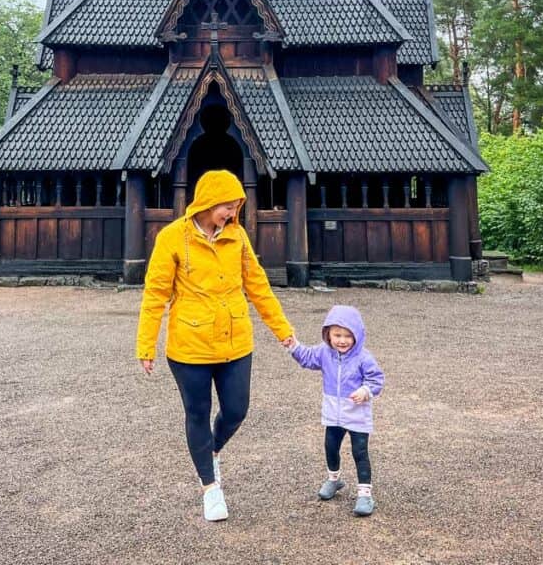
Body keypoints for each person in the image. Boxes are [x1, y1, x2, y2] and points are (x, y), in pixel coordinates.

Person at [136, 168, 295, 522]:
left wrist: (282, 329)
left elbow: (257, 285)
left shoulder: (237, 236)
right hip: (189, 346)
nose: (233, 212)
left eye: (237, 205)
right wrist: (146, 345)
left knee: (237, 409)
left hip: (236, 340)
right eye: (228, 206)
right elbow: (155, 295)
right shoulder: (172, 237)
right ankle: (210, 488)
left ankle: (212, 453)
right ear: (207, 203)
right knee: (197, 413)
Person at [285, 304, 384, 516]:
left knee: (359, 452)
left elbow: (377, 379)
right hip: (333, 414)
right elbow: (308, 357)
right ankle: (334, 479)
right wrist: (294, 346)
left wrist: (365, 391)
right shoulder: (324, 352)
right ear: (328, 334)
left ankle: (365, 494)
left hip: (357, 414)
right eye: (337, 335)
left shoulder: (363, 357)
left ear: (357, 335)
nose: (342, 340)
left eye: (348, 336)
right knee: (330, 447)